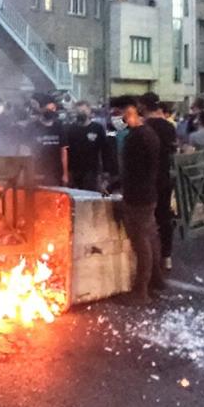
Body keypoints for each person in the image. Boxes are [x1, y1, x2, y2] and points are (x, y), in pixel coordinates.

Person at [113, 96, 163, 301]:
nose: (118, 118)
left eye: (120, 113)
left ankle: (141, 291)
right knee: (150, 238)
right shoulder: (149, 133)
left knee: (141, 242)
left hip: (137, 196)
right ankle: (157, 280)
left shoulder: (136, 137)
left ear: (130, 112)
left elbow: (132, 170)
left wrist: (116, 186)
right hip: (147, 193)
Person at [139, 93, 177, 276]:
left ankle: (150, 262)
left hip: (147, 179)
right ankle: (166, 256)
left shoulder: (143, 128)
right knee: (164, 217)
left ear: (144, 107)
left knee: (146, 221)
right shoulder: (169, 127)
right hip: (165, 177)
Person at [66, 101, 109, 192]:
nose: (81, 113)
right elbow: (66, 151)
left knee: (90, 195)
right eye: (79, 111)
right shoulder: (70, 129)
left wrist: (106, 171)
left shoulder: (97, 128)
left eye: (84, 111)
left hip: (92, 170)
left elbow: (105, 150)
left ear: (89, 111)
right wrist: (67, 171)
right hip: (74, 170)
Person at [28, 97, 69, 187]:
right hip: (38, 171)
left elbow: (64, 152)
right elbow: (26, 151)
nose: (51, 111)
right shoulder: (32, 127)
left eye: (53, 109)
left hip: (55, 172)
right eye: (48, 109)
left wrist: (65, 174)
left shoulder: (59, 127)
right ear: (41, 109)